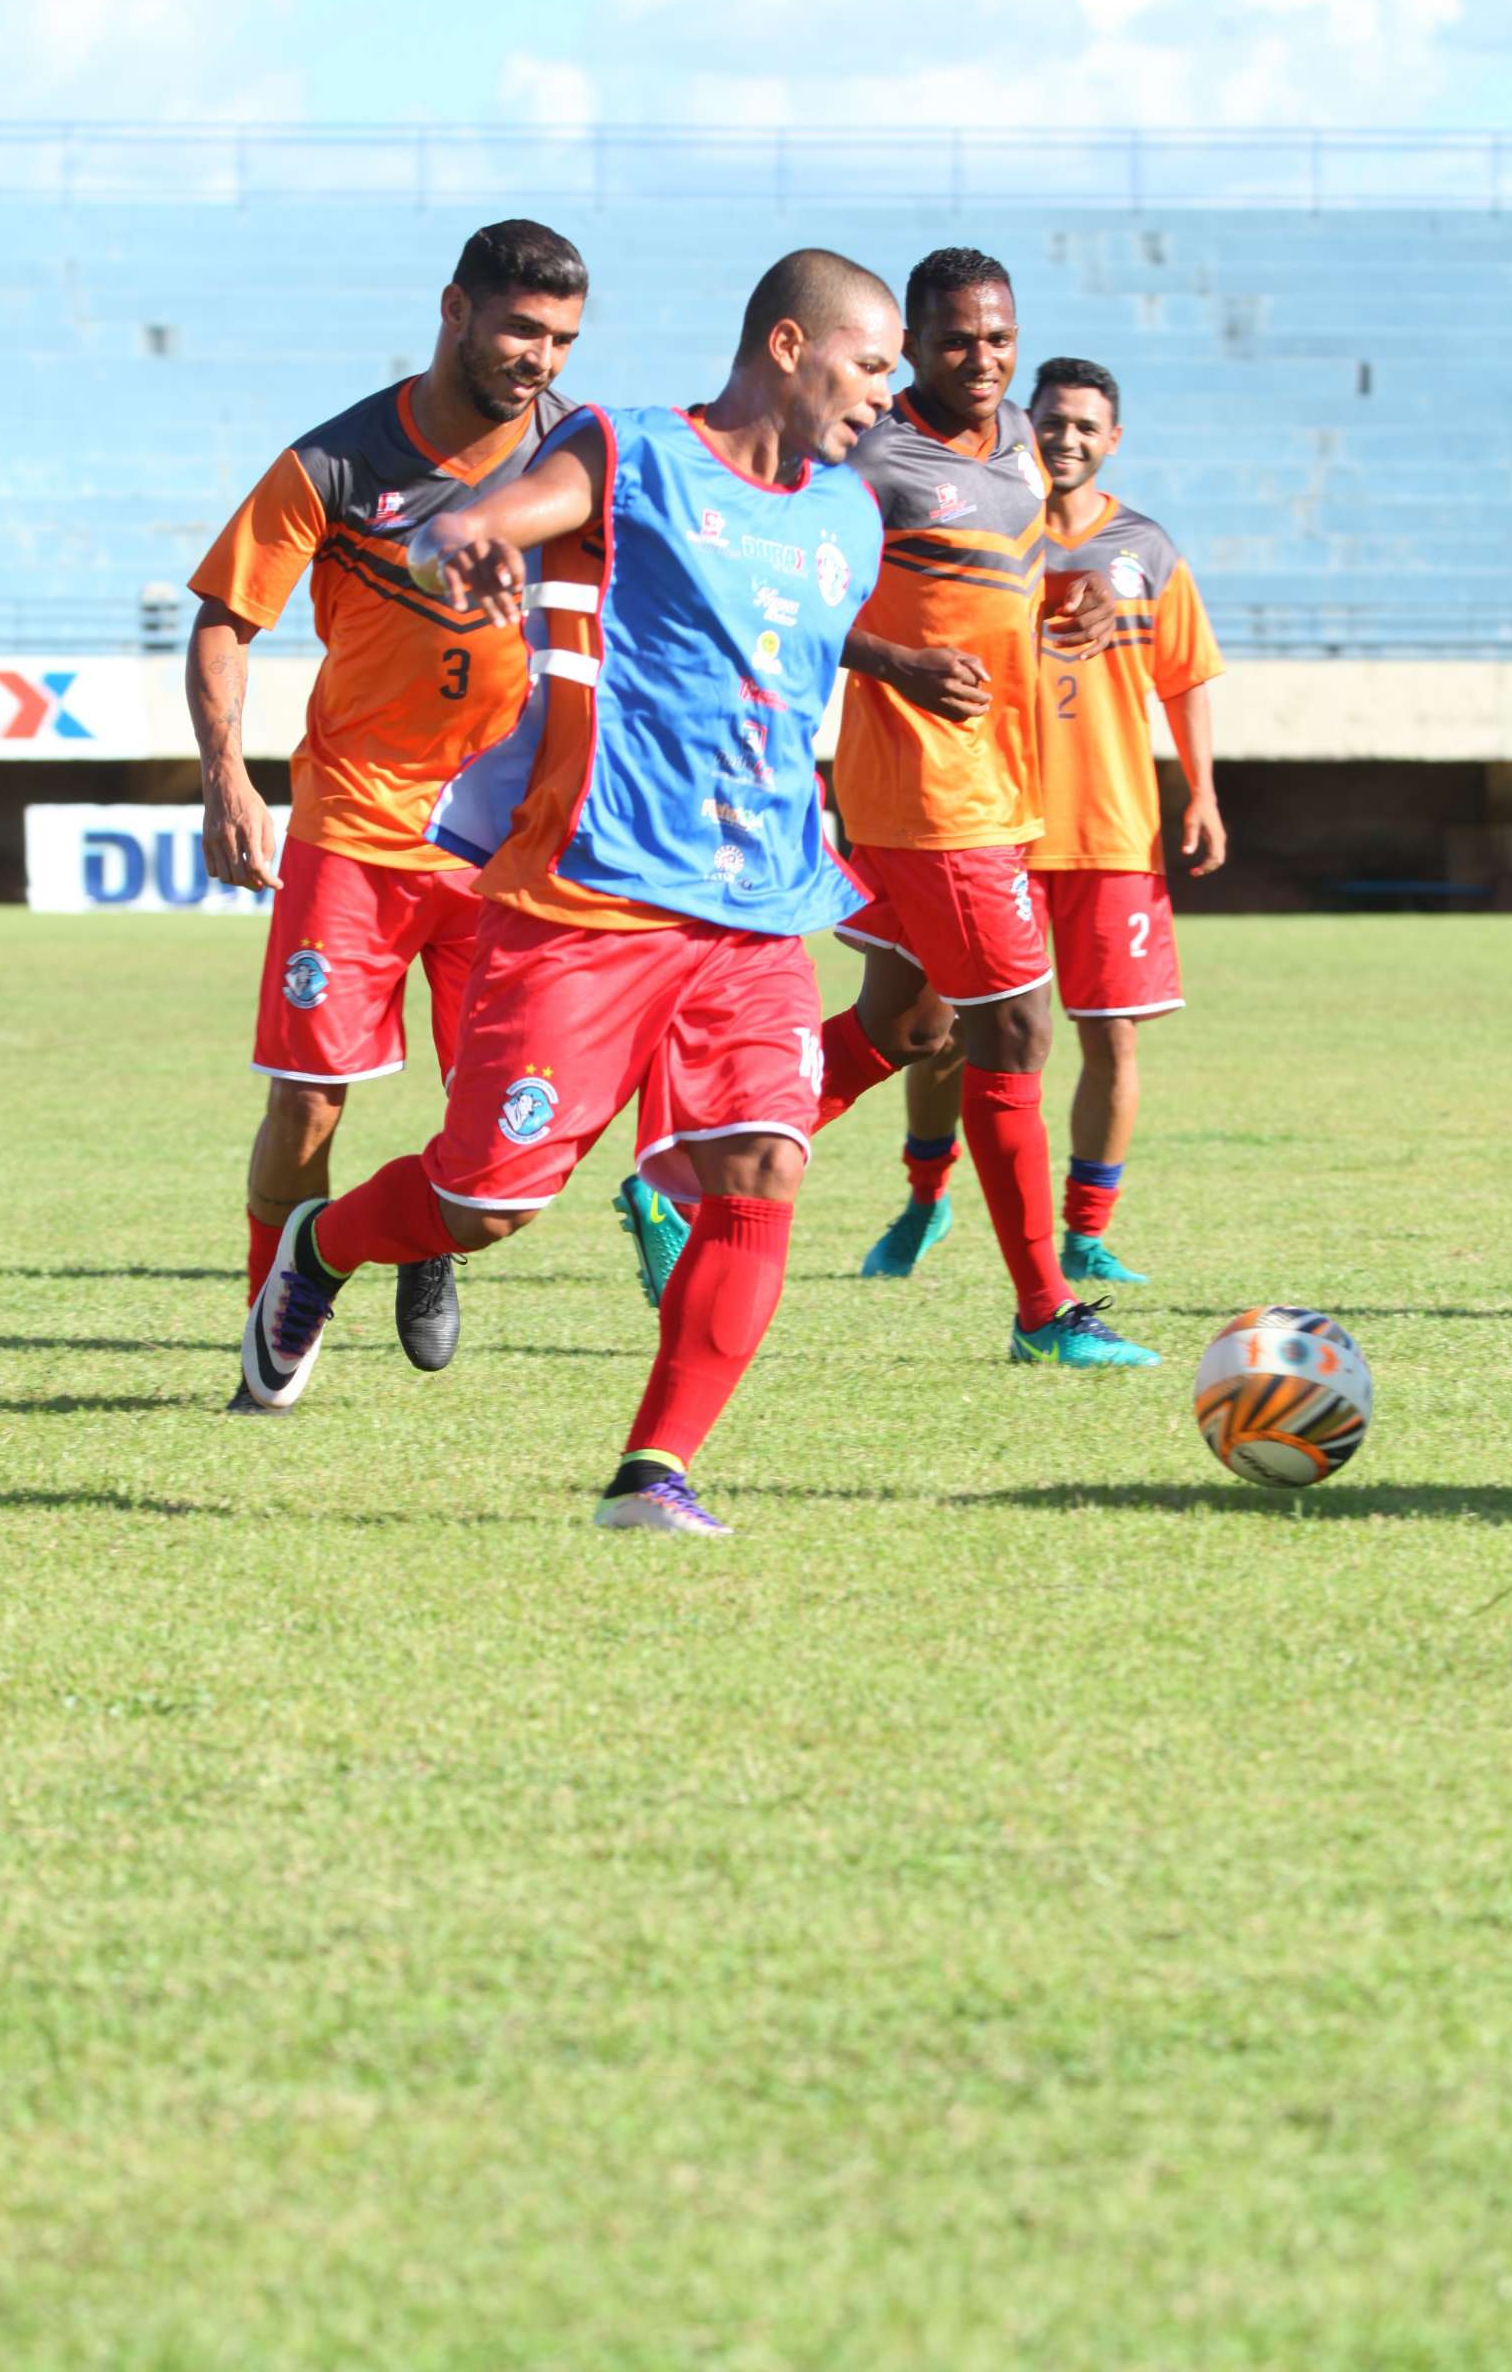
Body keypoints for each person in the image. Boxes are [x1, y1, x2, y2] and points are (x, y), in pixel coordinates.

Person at [241, 248, 906, 1535]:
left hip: (759, 905)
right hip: (592, 894)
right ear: (788, 344)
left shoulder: (847, 519)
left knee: (764, 1161)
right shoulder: (630, 449)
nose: (886, 391)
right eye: (869, 363)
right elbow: (474, 522)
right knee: (483, 1199)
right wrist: (470, 545)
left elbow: (770, 652)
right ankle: (319, 1252)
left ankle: (653, 1473)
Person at [622, 246, 1156, 1365]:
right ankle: (1045, 1310)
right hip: (926, 786)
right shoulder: (870, 455)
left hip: (1002, 777)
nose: (982, 359)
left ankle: (672, 1174)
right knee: (1014, 1025)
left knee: (910, 1025)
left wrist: (1082, 590)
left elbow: (1014, 565)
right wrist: (889, 660)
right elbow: (779, 582)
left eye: (999, 338)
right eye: (957, 339)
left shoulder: (1014, 437)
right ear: (909, 342)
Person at [185, 220, 587, 1406]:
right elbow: (223, 616)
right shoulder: (337, 462)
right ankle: (276, 1330)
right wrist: (229, 778)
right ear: (455, 309)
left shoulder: (581, 453)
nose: (540, 357)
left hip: (506, 846)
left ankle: (410, 1235)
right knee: (307, 1098)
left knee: (498, 1123)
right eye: (521, 327)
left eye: (562, 337)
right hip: (355, 829)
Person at [862, 355, 1226, 1288]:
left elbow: (1183, 678)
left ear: (1112, 441)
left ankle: (1084, 1234)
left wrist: (1204, 792)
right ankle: (924, 1197)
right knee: (934, 1027)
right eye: (1051, 421)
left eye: (1084, 426)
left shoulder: (1141, 550)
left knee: (1104, 1035)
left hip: (1106, 830)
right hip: (987, 819)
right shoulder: (985, 525)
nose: (1065, 438)